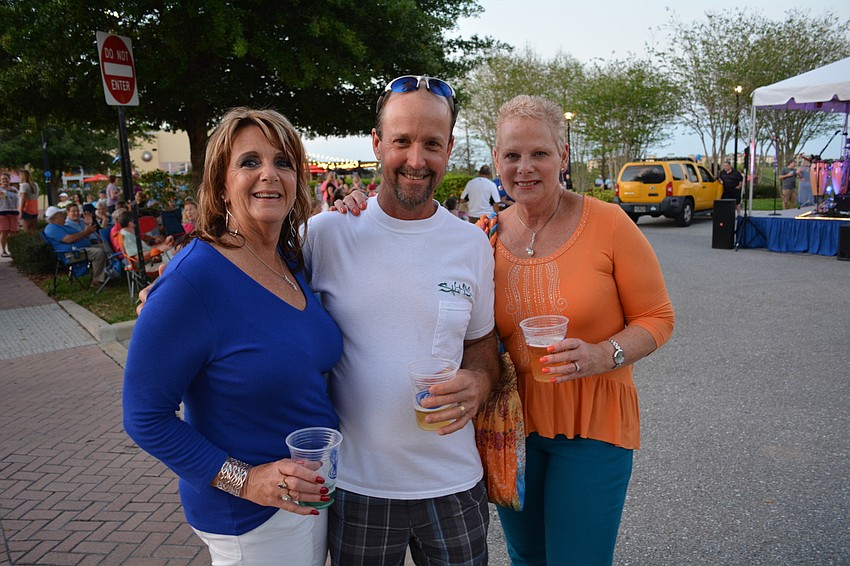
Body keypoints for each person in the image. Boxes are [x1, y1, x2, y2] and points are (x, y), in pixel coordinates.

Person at [123, 107, 339, 566]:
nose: (269, 174)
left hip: (307, 492)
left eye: (283, 162)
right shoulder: (192, 280)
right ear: (221, 183)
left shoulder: (288, 259)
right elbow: (144, 415)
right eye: (249, 162)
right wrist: (248, 480)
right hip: (250, 515)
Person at [311, 75, 499, 565]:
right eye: (401, 141)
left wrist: (479, 380)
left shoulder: (471, 244)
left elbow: (482, 342)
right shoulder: (327, 235)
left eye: (432, 144)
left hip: (454, 483)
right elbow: (248, 268)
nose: (416, 160)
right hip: (359, 487)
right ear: (377, 143)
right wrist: (172, 285)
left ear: (450, 149)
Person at [485, 95, 674, 565]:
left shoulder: (609, 224)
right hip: (515, 427)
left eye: (539, 154)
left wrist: (602, 354)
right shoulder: (483, 234)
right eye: (512, 155)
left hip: (594, 422)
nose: (524, 168)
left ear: (563, 156)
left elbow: (658, 317)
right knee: (526, 555)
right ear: (496, 160)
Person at [42, 205, 109, 287]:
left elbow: (82, 236)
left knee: (107, 247)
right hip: (72, 254)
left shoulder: (64, 226)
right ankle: (97, 281)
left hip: (82, 249)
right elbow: (68, 239)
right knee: (99, 253)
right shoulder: (51, 228)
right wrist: (86, 232)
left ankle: (110, 274)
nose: (64, 216)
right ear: (55, 217)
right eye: (61, 214)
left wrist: (88, 227)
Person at [0, 173, 19, 256]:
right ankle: (4, 251)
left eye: (6, 178)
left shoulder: (14, 189)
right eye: (3, 179)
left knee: (14, 232)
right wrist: (6, 190)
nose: (5, 180)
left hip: (14, 212)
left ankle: (14, 250)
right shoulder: (0, 189)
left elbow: (17, 199)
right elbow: (3, 196)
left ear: (9, 180)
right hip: (3, 212)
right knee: (4, 231)